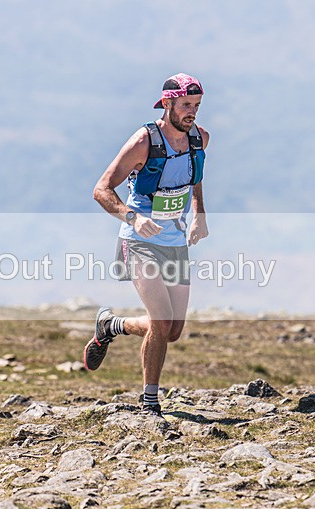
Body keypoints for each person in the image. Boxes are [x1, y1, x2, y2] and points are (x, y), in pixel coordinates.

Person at [83, 74, 209, 416]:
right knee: (161, 321)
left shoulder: (199, 139)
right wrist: (133, 218)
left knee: (172, 331)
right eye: (186, 105)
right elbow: (101, 189)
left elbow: (195, 177)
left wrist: (199, 215)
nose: (192, 112)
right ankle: (150, 403)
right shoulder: (143, 142)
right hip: (139, 242)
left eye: (197, 106)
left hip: (175, 242)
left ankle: (112, 325)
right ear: (167, 103)